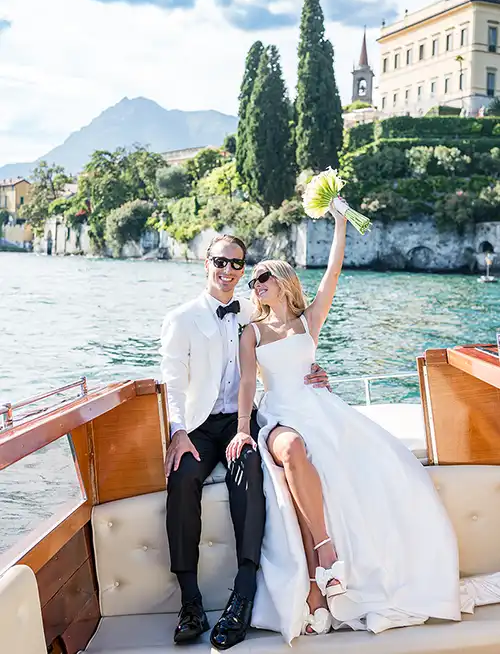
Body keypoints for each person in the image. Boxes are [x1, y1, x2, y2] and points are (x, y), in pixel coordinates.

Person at [226, 202, 461, 644]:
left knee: (376, 466)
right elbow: (245, 384)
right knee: (293, 451)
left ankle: (319, 584)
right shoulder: (251, 332)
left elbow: (334, 271)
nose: (255, 285)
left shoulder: (307, 321)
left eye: (263, 278)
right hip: (278, 414)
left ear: (284, 283)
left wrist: (338, 223)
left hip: (320, 409)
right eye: (253, 279)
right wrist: (242, 428)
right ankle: (325, 550)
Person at [160, 234, 331, 650]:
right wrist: (178, 431)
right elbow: (171, 384)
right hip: (199, 426)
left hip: (243, 421)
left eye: (237, 264)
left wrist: (313, 371)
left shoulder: (253, 316)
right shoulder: (181, 318)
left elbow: (287, 344)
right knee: (181, 479)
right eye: (221, 261)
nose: (229, 270)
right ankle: (191, 602)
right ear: (207, 263)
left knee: (251, 473)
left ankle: (244, 593)